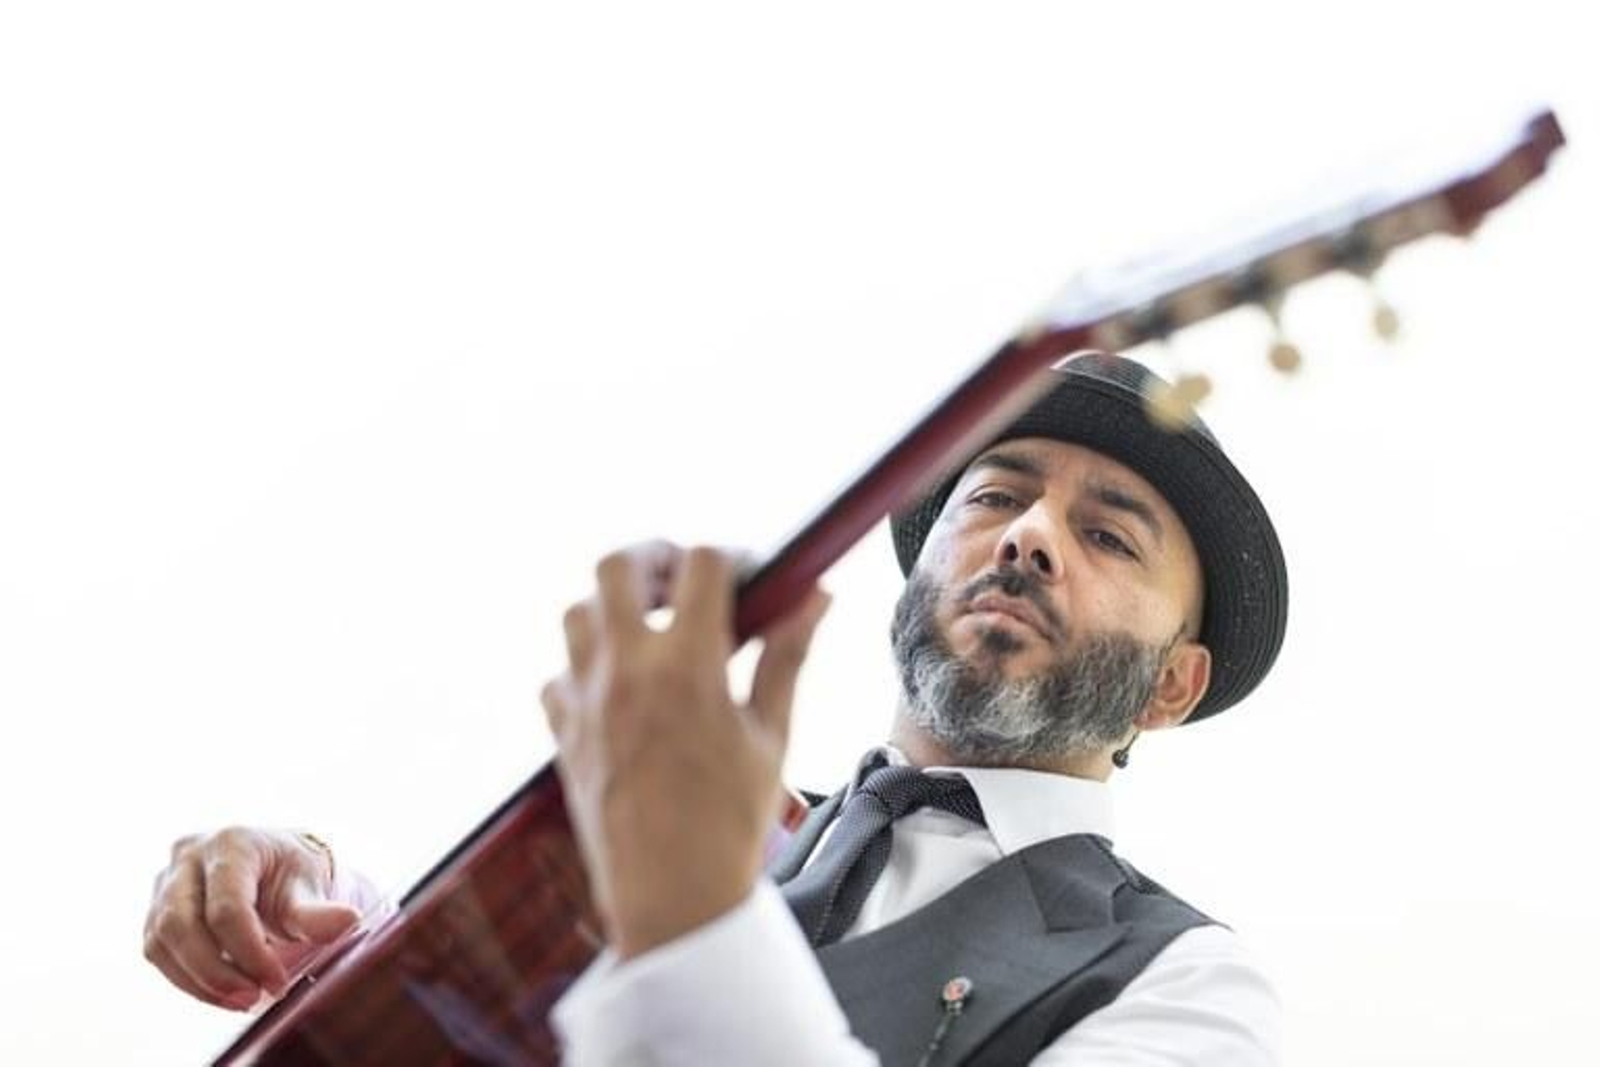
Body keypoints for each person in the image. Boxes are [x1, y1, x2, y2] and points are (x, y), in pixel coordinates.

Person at [144, 352, 1288, 1064]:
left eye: (1106, 534)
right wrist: (315, 908)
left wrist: (691, 914)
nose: (1029, 533)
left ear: (1172, 684)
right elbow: (482, 1013)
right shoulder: (691, 818)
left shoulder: (1185, 985)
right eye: (994, 494)